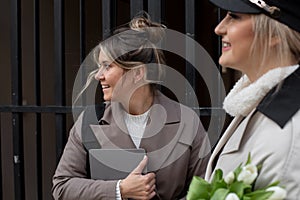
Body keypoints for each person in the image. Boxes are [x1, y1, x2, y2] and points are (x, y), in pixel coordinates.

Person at [52, 13, 211, 200]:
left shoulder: (187, 121)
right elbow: (62, 186)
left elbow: (205, 189)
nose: (98, 75)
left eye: (107, 66)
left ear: (137, 74)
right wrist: (120, 190)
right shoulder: (89, 120)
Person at [205, 0, 300, 199]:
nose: (219, 28)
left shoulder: (287, 130)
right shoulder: (264, 105)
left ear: (274, 33)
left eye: (235, 16)